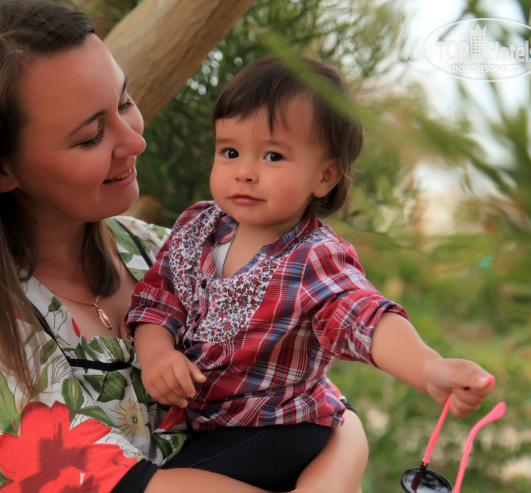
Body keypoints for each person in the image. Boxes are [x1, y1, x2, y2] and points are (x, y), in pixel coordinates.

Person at [0, 1, 370, 492]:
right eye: (91, 136)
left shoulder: (166, 250)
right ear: (1, 167)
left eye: (125, 102)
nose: (135, 142)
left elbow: (313, 405)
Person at [126, 56, 495, 491]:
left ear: (324, 176)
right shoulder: (196, 228)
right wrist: (157, 354)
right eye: (230, 152)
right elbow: (158, 301)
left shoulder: (312, 256)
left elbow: (363, 317)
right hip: (213, 425)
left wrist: (428, 367)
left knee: (168, 485)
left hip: (280, 428)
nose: (244, 172)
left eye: (273, 156)